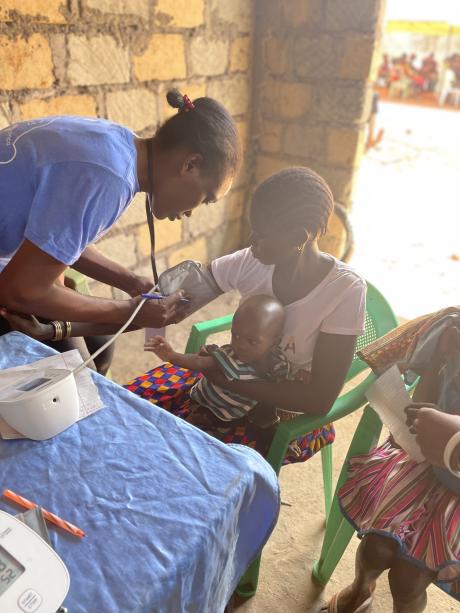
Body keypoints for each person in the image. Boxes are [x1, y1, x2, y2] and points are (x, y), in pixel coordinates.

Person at [126, 167, 367, 462]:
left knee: (193, 460)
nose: (252, 240)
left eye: (261, 234)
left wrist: (225, 378)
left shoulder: (344, 292)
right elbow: (171, 305)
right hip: (223, 378)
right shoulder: (251, 261)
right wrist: (81, 324)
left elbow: (319, 399)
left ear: (298, 237)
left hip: (280, 410)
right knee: (131, 411)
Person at [0, 89, 240, 338]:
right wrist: (129, 311)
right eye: (206, 198)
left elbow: (60, 236)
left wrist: (132, 282)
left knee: (92, 339)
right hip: (12, 283)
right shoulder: (108, 179)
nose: (190, 213)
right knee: (74, 354)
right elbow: (19, 291)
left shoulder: (117, 144)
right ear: (190, 165)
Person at [322, 308, 460, 612]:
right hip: (424, 460)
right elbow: (424, 405)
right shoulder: (450, 329)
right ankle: (360, 590)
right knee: (374, 550)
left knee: (408, 580)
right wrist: (441, 359)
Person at [145, 294, 292, 428]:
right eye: (236, 336)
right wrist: (172, 356)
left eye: (252, 341)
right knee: (188, 424)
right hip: (206, 404)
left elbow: (282, 384)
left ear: (273, 344)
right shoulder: (230, 357)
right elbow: (199, 362)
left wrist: (304, 378)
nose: (241, 345)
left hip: (231, 415)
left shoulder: (277, 362)